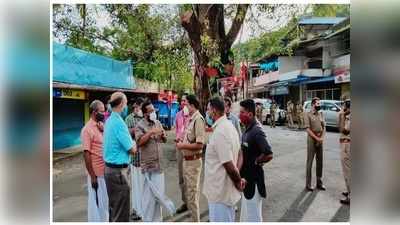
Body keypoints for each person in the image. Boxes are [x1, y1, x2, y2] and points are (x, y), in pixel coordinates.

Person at [203, 97, 246, 222]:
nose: (207, 113)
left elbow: (229, 165)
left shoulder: (221, 131)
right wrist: (237, 177)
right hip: (223, 191)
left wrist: (237, 181)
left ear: (214, 111)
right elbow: (239, 154)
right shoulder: (228, 126)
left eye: (208, 110)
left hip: (220, 194)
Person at [135, 100, 175, 221]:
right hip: (148, 166)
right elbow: (139, 142)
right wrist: (151, 132)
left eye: (154, 110)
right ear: (145, 113)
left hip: (159, 165)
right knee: (148, 197)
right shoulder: (140, 125)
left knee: (158, 196)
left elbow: (164, 140)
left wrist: (163, 135)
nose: (154, 112)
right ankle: (147, 220)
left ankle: (157, 220)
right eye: (151, 111)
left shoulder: (158, 122)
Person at [103, 92, 137, 222]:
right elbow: (132, 149)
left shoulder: (109, 120)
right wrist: (134, 142)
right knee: (121, 214)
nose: (127, 106)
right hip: (119, 173)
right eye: (126, 103)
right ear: (122, 104)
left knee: (114, 209)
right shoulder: (119, 123)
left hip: (110, 171)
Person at [238, 99, 273, 222]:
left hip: (254, 182)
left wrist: (257, 162)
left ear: (250, 114)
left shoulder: (257, 130)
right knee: (246, 216)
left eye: (242, 112)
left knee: (254, 217)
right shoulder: (247, 128)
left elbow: (269, 153)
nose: (239, 115)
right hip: (246, 181)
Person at [176, 94, 206, 222]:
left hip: (193, 162)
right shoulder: (191, 119)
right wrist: (181, 140)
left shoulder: (198, 119)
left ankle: (196, 221)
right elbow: (189, 137)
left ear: (192, 105)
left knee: (192, 196)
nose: (184, 106)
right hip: (187, 161)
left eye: (186, 104)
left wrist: (183, 145)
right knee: (189, 194)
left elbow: (200, 144)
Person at [81, 100, 109, 222]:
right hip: (96, 174)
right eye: (102, 111)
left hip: (105, 171)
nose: (105, 113)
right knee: (97, 205)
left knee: (105, 204)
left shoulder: (101, 126)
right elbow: (86, 154)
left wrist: (103, 131)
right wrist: (92, 176)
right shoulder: (87, 130)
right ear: (94, 112)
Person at [125, 97, 144, 220]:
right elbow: (126, 134)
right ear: (136, 107)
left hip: (146, 158)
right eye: (140, 107)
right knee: (136, 186)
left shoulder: (146, 117)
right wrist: (137, 129)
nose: (141, 109)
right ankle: (136, 210)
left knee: (145, 186)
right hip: (135, 158)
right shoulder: (129, 119)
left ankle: (145, 209)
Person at [304, 97, 326, 191]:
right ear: (313, 104)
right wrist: (316, 138)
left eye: (319, 103)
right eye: (317, 104)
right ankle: (308, 184)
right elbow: (308, 129)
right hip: (312, 139)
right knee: (310, 161)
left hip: (320, 139)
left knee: (320, 161)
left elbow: (324, 126)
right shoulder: (307, 114)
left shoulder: (321, 114)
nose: (319, 105)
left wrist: (321, 138)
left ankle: (319, 182)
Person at [174, 94, 190, 214]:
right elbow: (177, 130)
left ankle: (192, 203)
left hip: (190, 148)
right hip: (180, 147)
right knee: (181, 177)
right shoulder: (178, 115)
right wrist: (177, 138)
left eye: (185, 101)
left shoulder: (194, 115)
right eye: (182, 101)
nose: (183, 103)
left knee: (189, 177)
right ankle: (185, 202)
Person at [338, 99, 351, 205]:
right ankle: (349, 190)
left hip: (348, 145)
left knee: (347, 171)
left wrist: (342, 116)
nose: (342, 108)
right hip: (346, 143)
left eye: (343, 105)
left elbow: (344, 130)